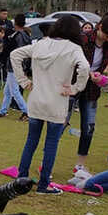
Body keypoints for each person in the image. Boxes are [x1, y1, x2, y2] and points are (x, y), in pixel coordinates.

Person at [11, 16, 90, 195]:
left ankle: (21, 179)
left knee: (31, 141)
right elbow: (85, 67)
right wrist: (76, 88)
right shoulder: (74, 48)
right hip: (57, 101)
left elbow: (14, 55)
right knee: (51, 143)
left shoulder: (40, 43)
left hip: (36, 100)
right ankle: (43, 184)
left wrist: (24, 81)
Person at [68, 15, 108, 175]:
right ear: (99, 27)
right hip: (73, 85)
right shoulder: (83, 38)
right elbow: (69, 60)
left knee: (89, 127)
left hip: (92, 89)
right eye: (106, 35)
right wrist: (87, 72)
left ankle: (79, 165)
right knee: (60, 123)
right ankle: (47, 161)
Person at [0, 14, 30, 120]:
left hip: (14, 66)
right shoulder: (25, 35)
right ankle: (3, 111)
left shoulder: (18, 36)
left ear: (15, 23)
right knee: (7, 91)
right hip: (18, 65)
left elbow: (17, 53)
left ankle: (26, 111)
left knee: (14, 90)